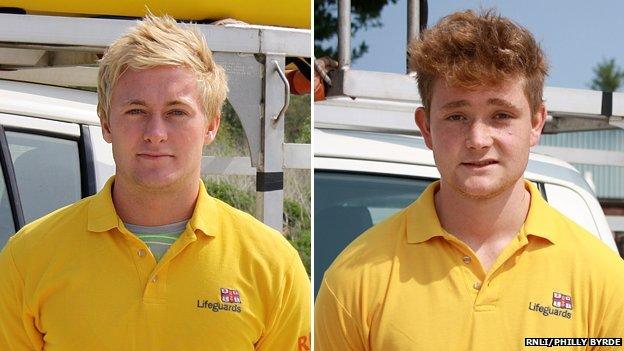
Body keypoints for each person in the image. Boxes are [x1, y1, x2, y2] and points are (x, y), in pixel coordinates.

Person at [315, 10, 624, 350]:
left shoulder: (605, 280)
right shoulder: (353, 277)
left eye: (501, 115)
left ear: (536, 123)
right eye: (457, 116)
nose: (478, 139)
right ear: (426, 127)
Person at [0, 14, 310, 350]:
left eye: (177, 112)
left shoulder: (273, 265)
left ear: (211, 126)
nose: (155, 134)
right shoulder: (28, 258)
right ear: (106, 123)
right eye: (136, 111)